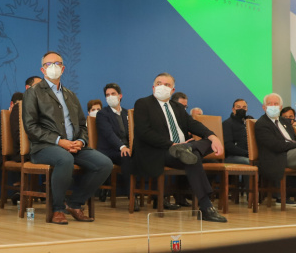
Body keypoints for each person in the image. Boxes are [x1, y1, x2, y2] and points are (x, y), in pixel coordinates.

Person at [22, 52, 113, 224]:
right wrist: (59, 141)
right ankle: (57, 209)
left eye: (57, 63)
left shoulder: (70, 95)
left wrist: (81, 141)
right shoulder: (33, 93)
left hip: (73, 146)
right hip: (44, 147)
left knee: (104, 164)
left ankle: (74, 204)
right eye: (48, 64)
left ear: (63, 68)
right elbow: (31, 127)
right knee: (64, 159)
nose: (53, 67)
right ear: (42, 70)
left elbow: (82, 125)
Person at [131, 73, 227, 222]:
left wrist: (213, 137)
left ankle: (187, 148)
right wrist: (172, 144)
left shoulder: (177, 107)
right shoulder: (143, 104)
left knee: (205, 144)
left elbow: (193, 124)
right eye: (159, 83)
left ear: (173, 90)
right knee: (193, 158)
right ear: (153, 87)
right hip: (158, 151)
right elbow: (144, 133)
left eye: (167, 85)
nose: (162, 87)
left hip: (181, 150)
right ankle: (206, 207)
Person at [96, 83, 134, 202]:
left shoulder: (127, 113)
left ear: (120, 96)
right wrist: (122, 147)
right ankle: (132, 196)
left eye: (113, 94)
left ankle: (154, 196)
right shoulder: (102, 114)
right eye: (107, 95)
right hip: (109, 151)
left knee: (144, 155)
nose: (110, 97)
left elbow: (132, 133)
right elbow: (109, 134)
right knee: (126, 155)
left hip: (126, 149)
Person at [0, 92, 23, 167]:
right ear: (11, 104)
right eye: (17, 106)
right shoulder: (0, 116)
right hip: (4, 155)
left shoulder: (23, 118)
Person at [222, 99, 250, 165]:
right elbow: (228, 146)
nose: (241, 109)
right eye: (238, 107)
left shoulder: (249, 122)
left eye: (244, 107)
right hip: (232, 156)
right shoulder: (227, 124)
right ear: (233, 109)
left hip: (248, 155)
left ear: (247, 109)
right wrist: (247, 153)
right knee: (250, 162)